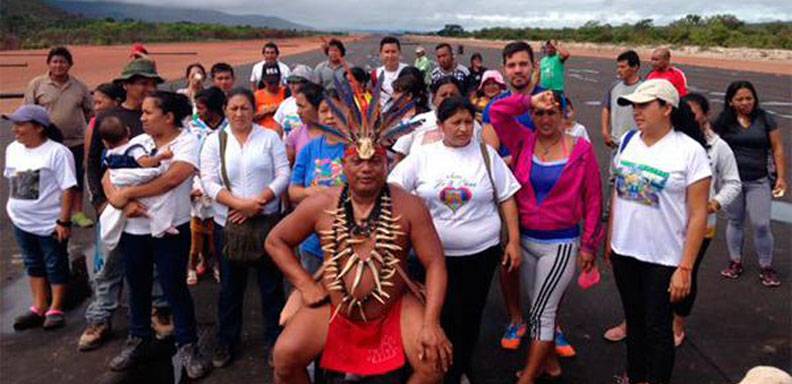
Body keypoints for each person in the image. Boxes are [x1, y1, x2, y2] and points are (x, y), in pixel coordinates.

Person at [264, 76, 451, 384]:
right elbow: (276, 241)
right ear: (344, 164)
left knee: (434, 365)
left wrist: (431, 323)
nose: (366, 168)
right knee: (284, 357)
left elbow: (435, 264)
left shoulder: (410, 206)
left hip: (393, 305)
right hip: (335, 306)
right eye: (357, 161)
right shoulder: (322, 202)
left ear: (386, 165)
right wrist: (305, 285)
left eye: (375, 161)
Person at [389, 96, 521, 383]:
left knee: (470, 316)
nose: (463, 129)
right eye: (455, 122)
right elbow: (394, 190)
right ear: (440, 125)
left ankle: (459, 367)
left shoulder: (487, 155)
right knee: (437, 315)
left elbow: (507, 197)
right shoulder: (423, 156)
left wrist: (513, 241)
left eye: (468, 122)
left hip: (481, 254)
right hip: (432, 258)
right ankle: (434, 367)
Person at [490, 91, 604, 383]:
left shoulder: (581, 150)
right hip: (526, 240)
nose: (545, 119)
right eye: (539, 113)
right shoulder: (522, 140)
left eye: (552, 112)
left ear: (565, 115)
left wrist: (589, 244)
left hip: (561, 243)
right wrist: (529, 100)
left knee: (542, 312)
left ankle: (527, 377)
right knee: (538, 307)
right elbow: (498, 112)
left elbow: (593, 199)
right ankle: (550, 362)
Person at [102, 91, 212, 379]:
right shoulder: (139, 141)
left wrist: (129, 193)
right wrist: (119, 200)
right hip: (134, 230)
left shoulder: (187, 142)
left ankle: (188, 344)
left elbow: (174, 178)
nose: (142, 118)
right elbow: (108, 173)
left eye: (148, 113)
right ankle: (139, 338)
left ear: (169, 116)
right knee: (136, 285)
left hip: (170, 229)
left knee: (174, 286)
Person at [609, 79, 711, 384]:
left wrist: (686, 267)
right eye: (634, 106)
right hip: (625, 252)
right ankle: (635, 374)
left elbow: (697, 215)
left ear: (667, 108)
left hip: (664, 258)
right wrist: (610, 239)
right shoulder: (629, 141)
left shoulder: (689, 151)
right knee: (635, 321)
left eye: (644, 105)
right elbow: (618, 192)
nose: (637, 112)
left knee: (658, 328)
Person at [81, 58, 171, 352]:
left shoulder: (158, 117)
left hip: (149, 206)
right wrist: (101, 202)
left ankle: (157, 311)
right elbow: (94, 164)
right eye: (141, 82)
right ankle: (100, 318)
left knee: (155, 264)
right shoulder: (108, 118)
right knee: (108, 264)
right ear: (127, 84)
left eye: (151, 83)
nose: (147, 88)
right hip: (113, 206)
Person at [199, 87, 290, 368]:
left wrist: (260, 201)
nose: (239, 114)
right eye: (234, 108)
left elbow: (283, 172)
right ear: (226, 110)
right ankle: (226, 341)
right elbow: (209, 180)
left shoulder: (269, 137)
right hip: (229, 224)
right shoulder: (215, 141)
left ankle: (276, 340)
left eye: (245, 108)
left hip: (266, 222)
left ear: (255, 110)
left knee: (271, 286)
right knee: (230, 288)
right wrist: (238, 204)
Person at [478, 41, 546, 350]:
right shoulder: (495, 106)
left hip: (545, 191)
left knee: (548, 259)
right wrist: (518, 161)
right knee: (510, 257)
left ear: (533, 66)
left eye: (523, 64)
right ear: (504, 69)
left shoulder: (549, 98)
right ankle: (516, 317)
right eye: (512, 65)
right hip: (509, 194)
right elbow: (490, 154)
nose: (518, 70)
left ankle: (548, 321)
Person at [673, 92, 741, 344]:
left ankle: (677, 323)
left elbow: (733, 183)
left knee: (686, 273)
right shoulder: (673, 142)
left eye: (694, 112)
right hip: (669, 224)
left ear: (706, 114)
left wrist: (714, 203)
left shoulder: (718, 146)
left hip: (701, 227)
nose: (689, 117)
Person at [4, 105, 77, 331]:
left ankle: (55, 307)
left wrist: (63, 221)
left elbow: (68, 188)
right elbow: (15, 181)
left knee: (55, 263)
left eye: (21, 125)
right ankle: (38, 305)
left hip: (48, 222)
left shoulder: (57, 153)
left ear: (38, 128)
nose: (15, 129)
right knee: (32, 262)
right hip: (21, 219)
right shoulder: (13, 149)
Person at [714, 81, 786, 287]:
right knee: (735, 221)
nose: (745, 102)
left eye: (749, 98)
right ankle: (735, 261)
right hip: (732, 182)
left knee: (761, 223)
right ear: (730, 101)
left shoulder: (765, 120)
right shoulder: (723, 123)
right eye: (740, 99)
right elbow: (712, 148)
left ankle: (766, 266)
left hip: (759, 180)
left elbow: (777, 148)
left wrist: (781, 177)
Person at [24, 46, 94, 228]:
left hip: (75, 141)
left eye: (62, 61)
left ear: (70, 65)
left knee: (75, 178)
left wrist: (92, 136)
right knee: (39, 175)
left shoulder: (79, 87)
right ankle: (33, 211)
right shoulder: (37, 85)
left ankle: (77, 213)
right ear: (48, 63)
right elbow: (28, 112)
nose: (58, 65)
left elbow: (90, 113)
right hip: (44, 142)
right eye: (55, 61)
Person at [97, 115, 179, 251]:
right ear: (128, 131)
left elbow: (108, 173)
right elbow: (145, 163)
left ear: (105, 142)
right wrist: (161, 157)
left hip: (120, 182)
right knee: (156, 199)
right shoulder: (135, 147)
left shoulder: (108, 154)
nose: (142, 117)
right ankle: (162, 224)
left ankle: (146, 216)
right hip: (133, 178)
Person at [393, 76, 498, 162]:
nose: (448, 98)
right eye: (443, 95)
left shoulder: (472, 125)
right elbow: (399, 156)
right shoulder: (417, 122)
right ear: (434, 98)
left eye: (453, 95)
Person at [186, 86, 228, 285]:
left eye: (202, 108)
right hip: (198, 187)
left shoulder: (229, 128)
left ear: (213, 109)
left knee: (217, 233)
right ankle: (198, 263)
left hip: (223, 190)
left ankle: (219, 263)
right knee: (197, 231)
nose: (199, 112)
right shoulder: (194, 128)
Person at [84, 82, 125, 169]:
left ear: (116, 102)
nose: (96, 108)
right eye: (94, 103)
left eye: (99, 103)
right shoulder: (94, 123)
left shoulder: (126, 120)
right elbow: (89, 158)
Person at [285, 82, 325, 164]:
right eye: (297, 106)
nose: (298, 112)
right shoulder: (295, 135)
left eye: (302, 106)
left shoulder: (335, 136)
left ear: (317, 106)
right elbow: (286, 167)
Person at [273, 64, 314, 139]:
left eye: (295, 83)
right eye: (289, 82)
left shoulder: (315, 103)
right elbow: (277, 130)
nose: (291, 86)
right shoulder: (285, 103)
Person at [372, 36, 408, 106]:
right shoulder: (375, 74)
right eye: (387, 52)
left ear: (399, 53)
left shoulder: (408, 71)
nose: (390, 56)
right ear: (381, 54)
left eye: (393, 52)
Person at [254, 62, 287, 135]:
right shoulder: (257, 96)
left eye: (276, 82)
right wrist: (266, 111)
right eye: (270, 83)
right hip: (263, 134)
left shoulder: (287, 93)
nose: (273, 85)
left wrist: (279, 108)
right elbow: (250, 118)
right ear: (263, 80)